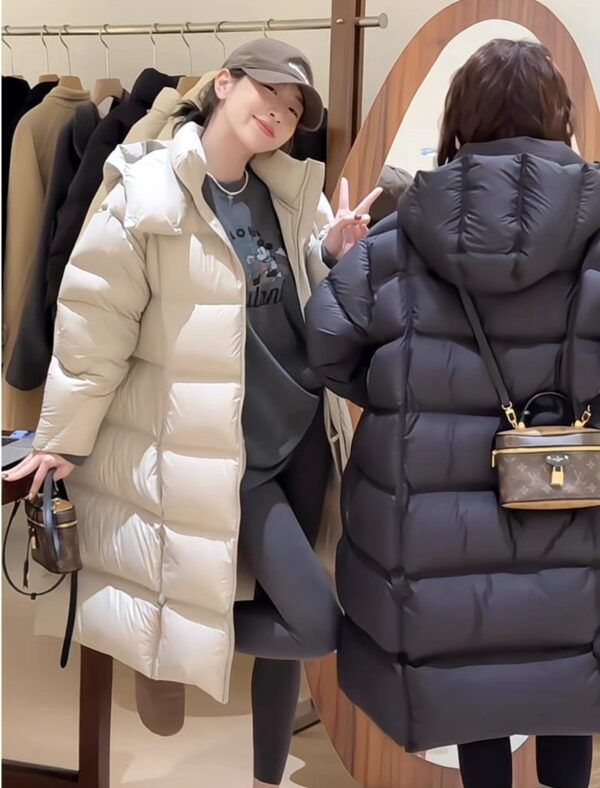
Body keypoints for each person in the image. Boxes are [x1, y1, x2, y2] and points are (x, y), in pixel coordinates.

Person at [4, 38, 381, 787]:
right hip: (224, 448)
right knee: (315, 622)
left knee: (289, 616)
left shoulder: (288, 192)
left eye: (293, 108)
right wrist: (63, 436)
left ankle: (266, 777)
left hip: (302, 430)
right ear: (224, 83)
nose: (280, 114)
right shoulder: (146, 191)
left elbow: (299, 303)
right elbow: (95, 319)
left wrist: (331, 254)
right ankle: (161, 635)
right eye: (268, 93)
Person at [305, 39, 599, 788]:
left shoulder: (402, 237)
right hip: (579, 504)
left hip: (440, 525)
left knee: (471, 669)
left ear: (460, 119)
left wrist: (402, 391)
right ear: (560, 118)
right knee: (574, 663)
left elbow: (328, 344)